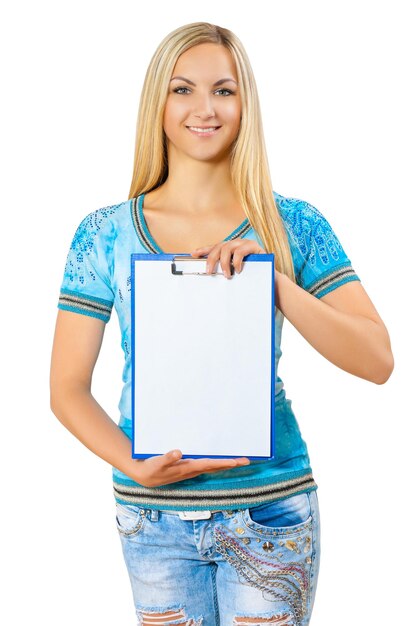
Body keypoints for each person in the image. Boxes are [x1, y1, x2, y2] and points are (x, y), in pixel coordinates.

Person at [49, 21, 394, 626]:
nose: (204, 109)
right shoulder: (104, 233)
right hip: (152, 518)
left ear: (246, 104)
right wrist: (133, 462)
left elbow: (376, 359)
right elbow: (65, 388)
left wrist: (276, 285)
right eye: (182, 89)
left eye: (223, 90)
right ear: (157, 102)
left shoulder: (291, 224)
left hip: (271, 512)